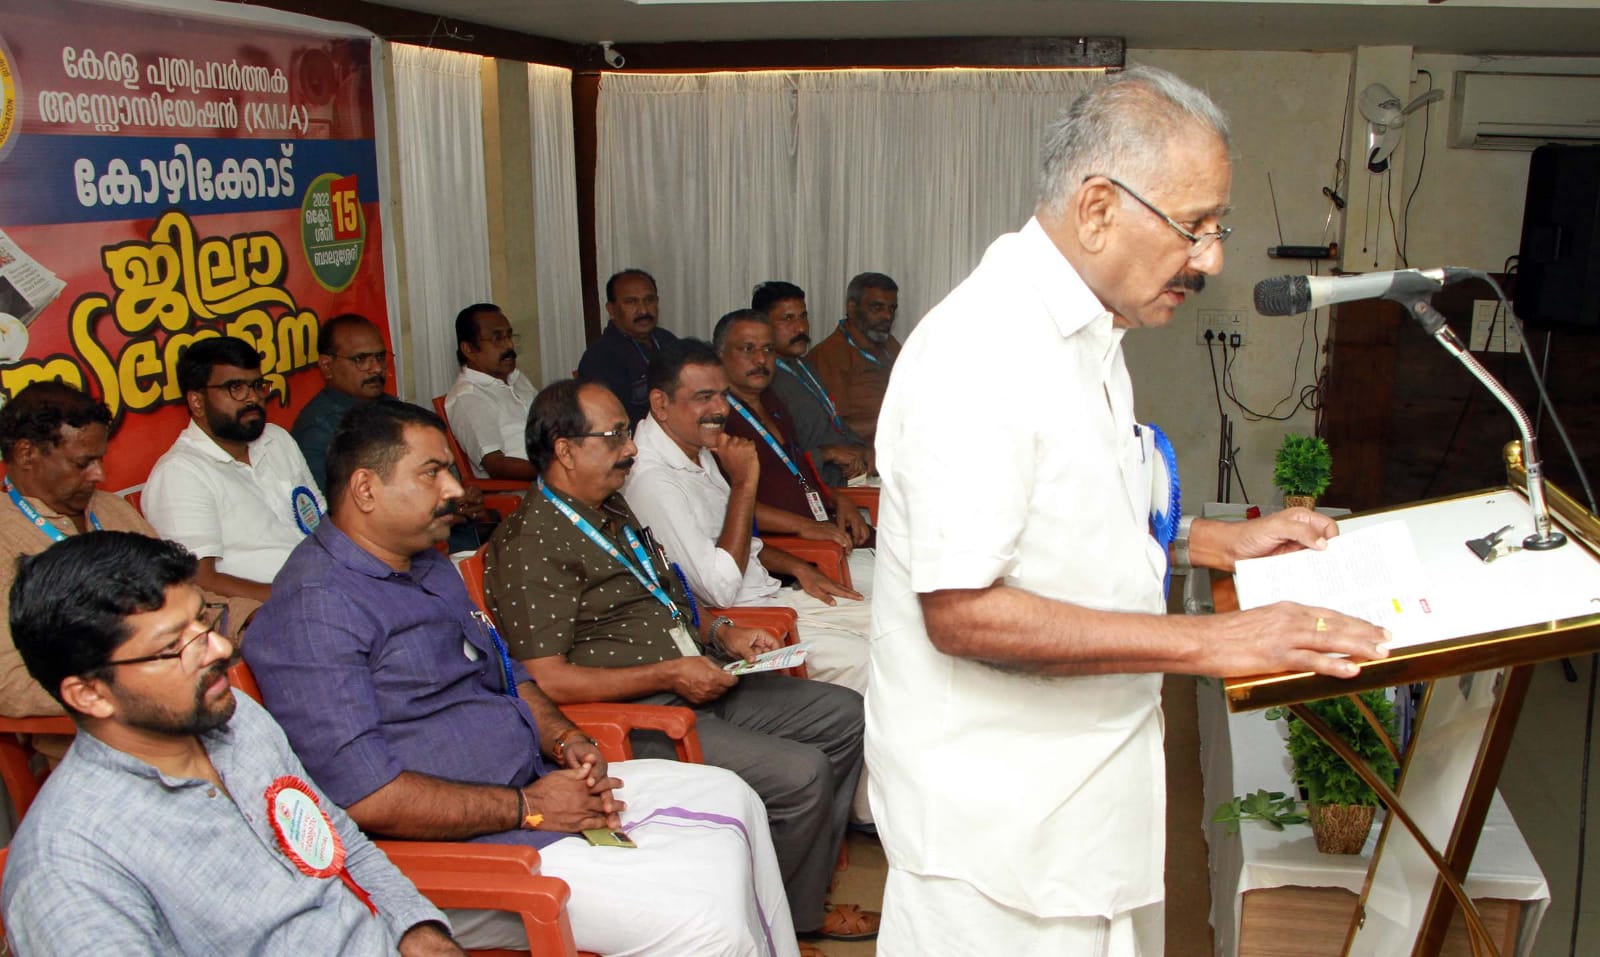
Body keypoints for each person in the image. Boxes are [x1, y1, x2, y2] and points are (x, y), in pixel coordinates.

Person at [865, 66, 1390, 955]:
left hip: (1080, 805)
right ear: (1099, 208)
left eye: (1218, 228)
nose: (1212, 259)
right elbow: (961, 610)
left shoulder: (1091, 328)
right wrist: (1214, 643)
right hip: (1000, 844)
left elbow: (1073, 513)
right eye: (1196, 226)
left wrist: (1209, 541)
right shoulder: (982, 349)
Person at [243, 401, 797, 955]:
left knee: (732, 796)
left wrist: (565, 739)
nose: (454, 489)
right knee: (704, 922)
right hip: (467, 851)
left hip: (536, 791)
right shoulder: (314, 610)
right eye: (432, 472)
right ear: (366, 489)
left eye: (450, 470)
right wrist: (529, 807)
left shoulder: (426, 564)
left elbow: (510, 673)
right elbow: (365, 797)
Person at [483, 378, 879, 945]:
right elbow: (547, 681)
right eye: (614, 436)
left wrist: (722, 630)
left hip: (700, 677)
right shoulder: (531, 541)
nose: (631, 448)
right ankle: (782, 925)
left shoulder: (609, 507)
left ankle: (794, 907)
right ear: (565, 450)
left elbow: (663, 597)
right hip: (640, 713)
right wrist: (668, 674)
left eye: (627, 432)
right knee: (802, 773)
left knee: (845, 715)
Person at [1, 531, 463, 955]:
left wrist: (418, 930)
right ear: (90, 694)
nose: (220, 649)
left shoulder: (238, 720)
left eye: (203, 620)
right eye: (175, 646)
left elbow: (341, 842)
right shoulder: (69, 868)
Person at [0, 382, 256, 737]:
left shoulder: (111, 510)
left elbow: (187, 599)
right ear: (27, 453)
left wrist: (252, 619)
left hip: (195, 686)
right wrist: (144, 686)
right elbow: (10, 683)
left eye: (100, 459)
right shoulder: (6, 538)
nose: (99, 475)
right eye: (82, 463)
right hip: (107, 734)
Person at [144, 336, 325, 603]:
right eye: (235, 387)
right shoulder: (180, 474)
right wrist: (302, 596)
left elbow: (320, 517)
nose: (253, 397)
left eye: (257, 385)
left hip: (330, 580)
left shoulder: (276, 439)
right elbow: (200, 582)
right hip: (276, 609)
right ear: (197, 402)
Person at [293, 313, 486, 550]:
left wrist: (460, 499)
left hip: (449, 545)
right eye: (361, 359)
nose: (376, 368)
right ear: (327, 365)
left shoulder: (394, 408)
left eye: (379, 357)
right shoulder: (317, 430)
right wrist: (439, 515)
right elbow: (337, 518)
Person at [713, 310, 873, 577]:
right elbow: (722, 506)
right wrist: (802, 526)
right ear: (719, 355)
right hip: (788, 553)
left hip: (827, 528)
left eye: (768, 349)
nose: (761, 359)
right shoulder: (717, 420)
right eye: (748, 349)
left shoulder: (773, 401)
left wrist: (836, 499)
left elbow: (797, 471)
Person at [752, 281, 871, 487]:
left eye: (803, 316)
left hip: (851, 478)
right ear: (762, 326)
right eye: (788, 319)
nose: (801, 327)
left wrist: (860, 449)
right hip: (816, 489)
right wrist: (827, 453)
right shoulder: (762, 380)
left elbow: (834, 424)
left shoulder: (804, 365)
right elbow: (775, 461)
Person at [443, 302, 538, 481]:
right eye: (497, 339)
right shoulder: (469, 397)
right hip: (526, 490)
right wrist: (555, 472)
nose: (509, 345)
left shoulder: (516, 378)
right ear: (469, 349)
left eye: (509, 336)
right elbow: (496, 465)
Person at [806, 272, 900, 442]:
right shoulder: (831, 354)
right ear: (852, 307)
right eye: (877, 308)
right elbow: (835, 428)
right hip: (866, 450)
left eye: (892, 309)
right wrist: (897, 421)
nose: (887, 316)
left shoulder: (891, 345)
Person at [578, 269, 680, 424]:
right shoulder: (600, 358)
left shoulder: (666, 340)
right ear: (611, 310)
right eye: (631, 302)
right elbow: (611, 422)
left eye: (649, 300)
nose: (643, 310)